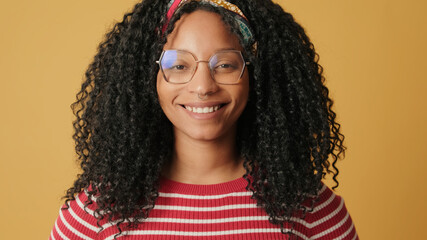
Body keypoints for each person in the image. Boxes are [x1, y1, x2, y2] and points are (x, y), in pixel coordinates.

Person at [50, 0, 358, 239]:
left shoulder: (311, 209)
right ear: (149, 78)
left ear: (255, 75)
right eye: (179, 65)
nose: (203, 86)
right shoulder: (96, 212)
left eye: (224, 64)